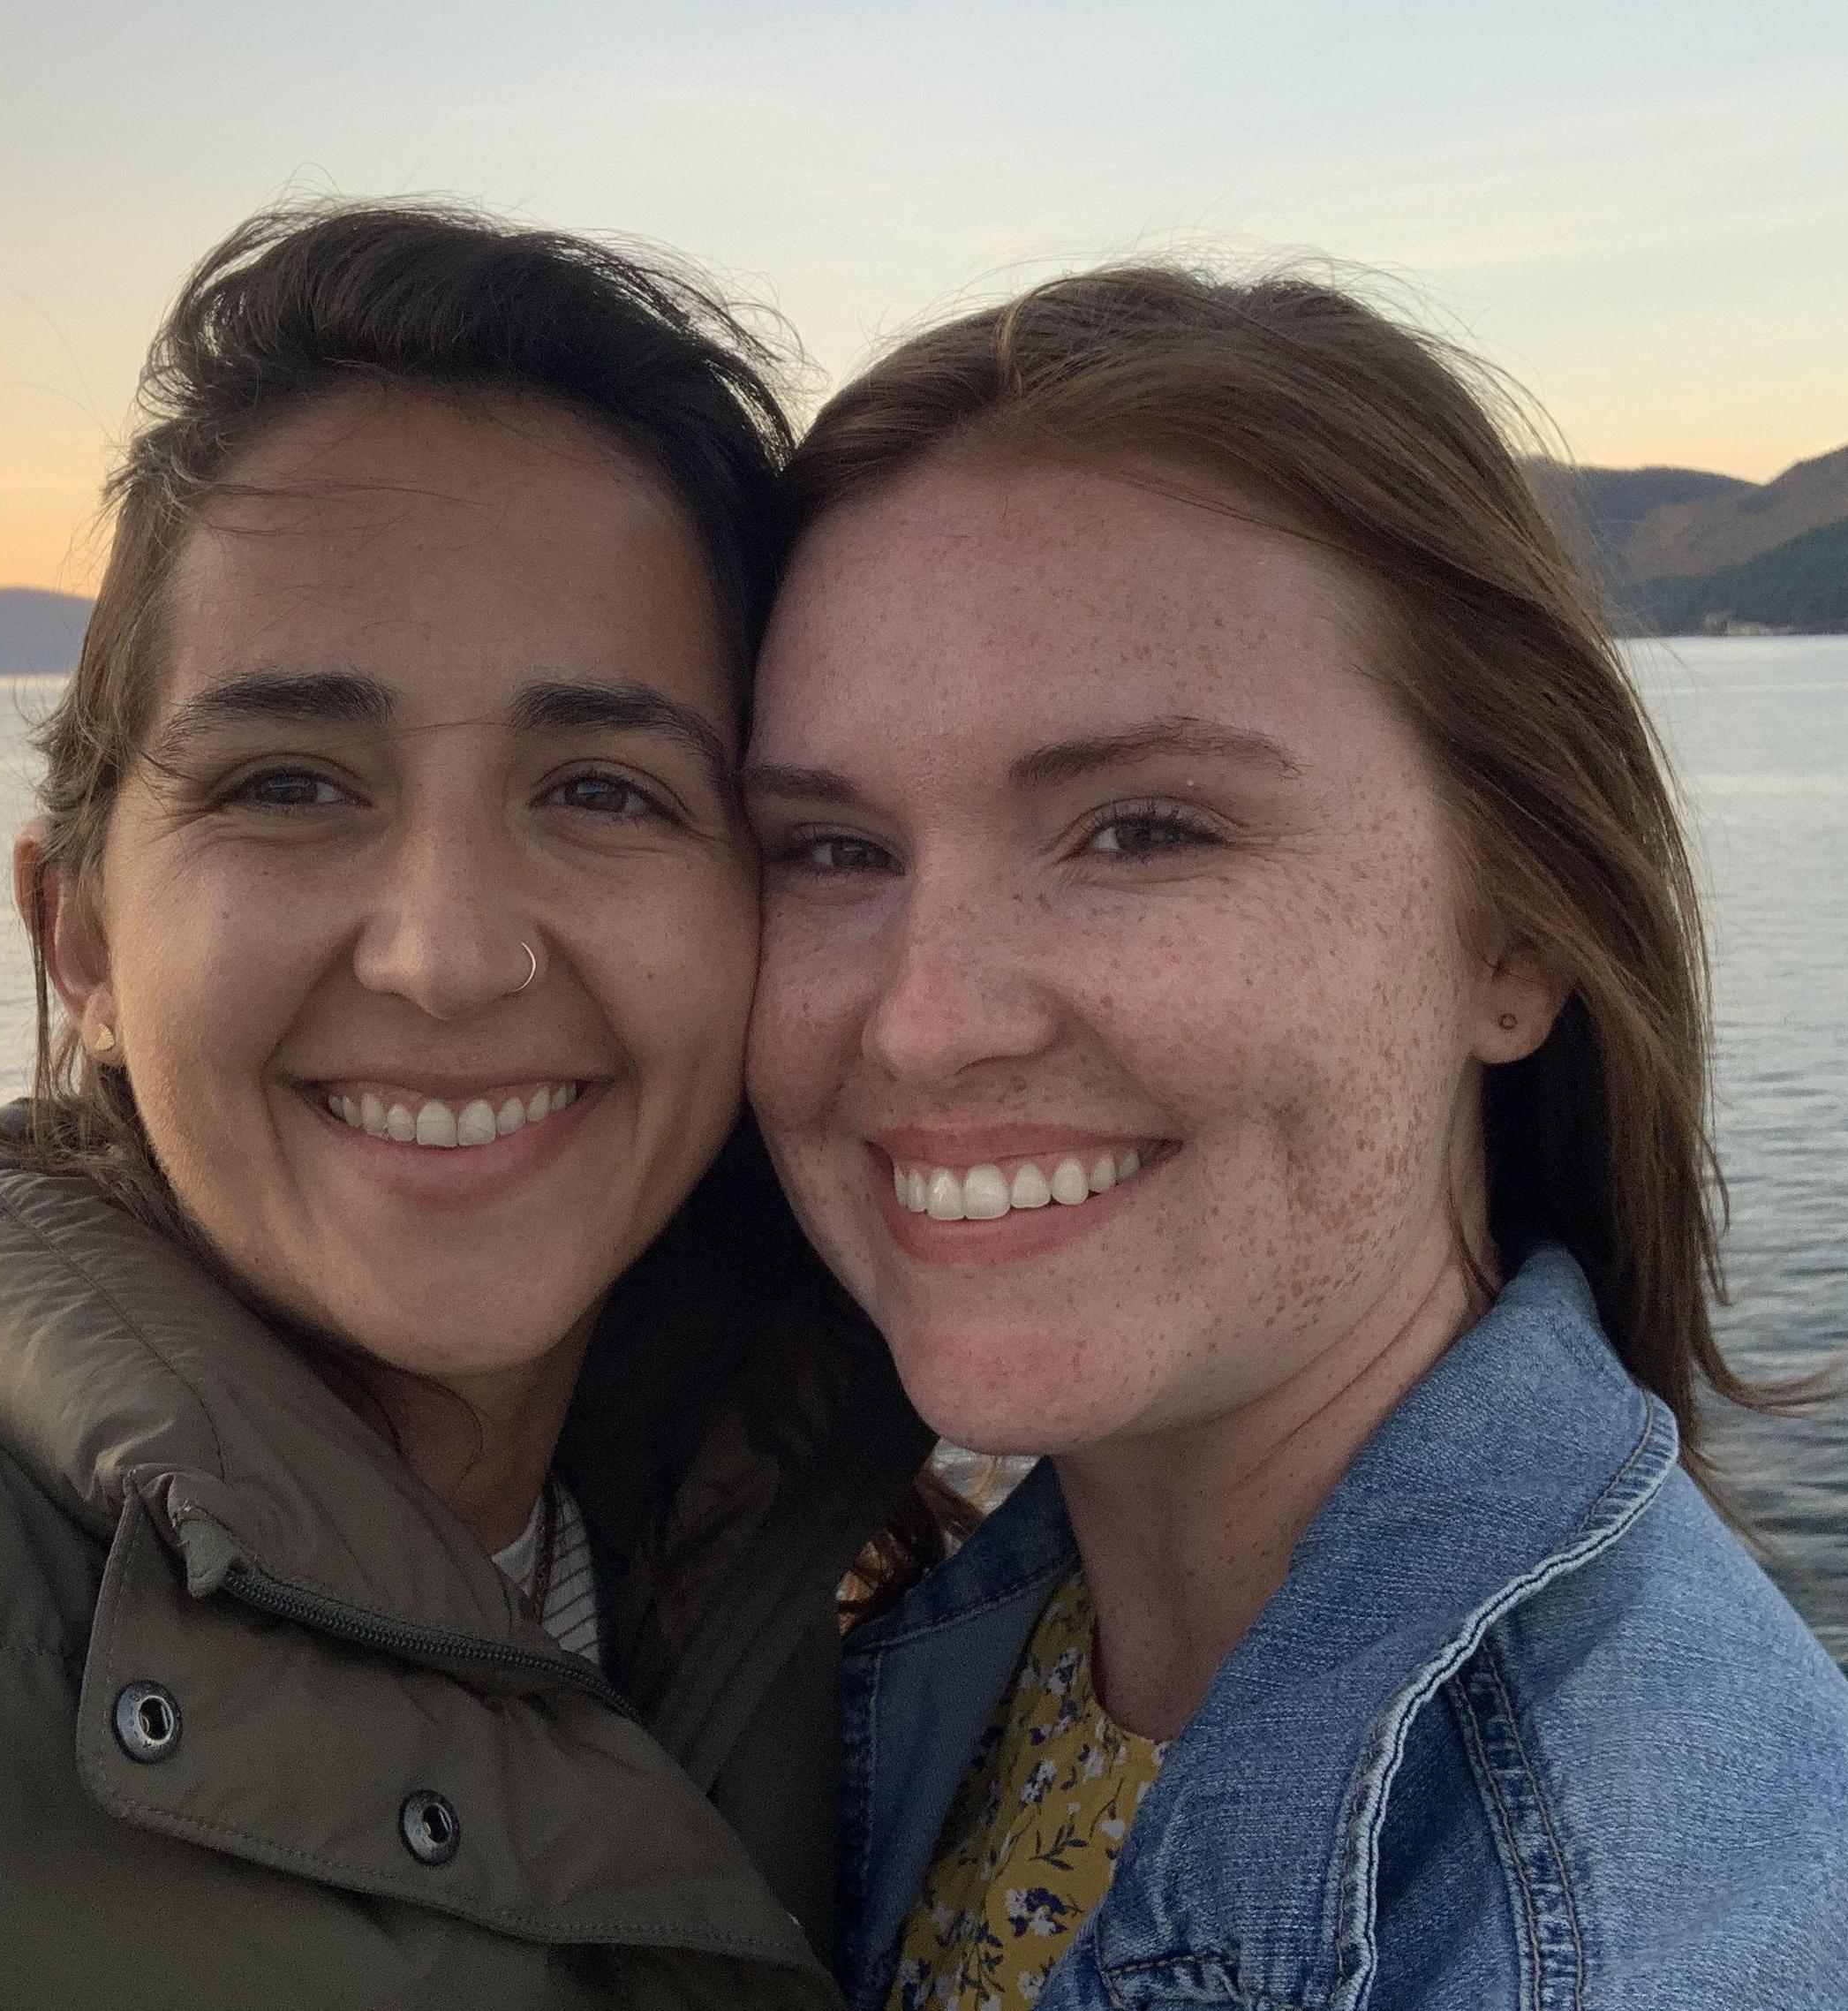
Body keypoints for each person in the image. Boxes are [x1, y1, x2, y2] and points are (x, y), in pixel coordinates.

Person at [0, 200, 932, 2010]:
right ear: (82, 935)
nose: (442, 952)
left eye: (599, 787)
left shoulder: (823, 1596)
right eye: (288, 781)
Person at [743, 265, 1848, 2010]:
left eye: (1138, 829)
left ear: (1513, 935)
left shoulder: (1664, 1939)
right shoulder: (975, 1653)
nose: (925, 1016)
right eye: (826, 849)